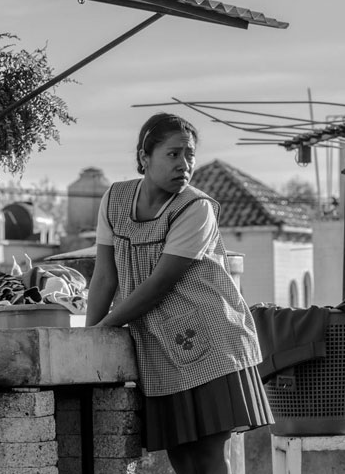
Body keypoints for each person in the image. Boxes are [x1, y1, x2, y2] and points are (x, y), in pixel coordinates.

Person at [85, 112, 272, 474]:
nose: (184, 164)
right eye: (173, 154)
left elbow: (158, 285)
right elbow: (104, 276)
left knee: (206, 455)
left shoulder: (196, 207)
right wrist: (89, 339)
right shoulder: (114, 199)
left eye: (190, 155)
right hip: (159, 350)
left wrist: (103, 328)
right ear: (144, 157)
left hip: (211, 342)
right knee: (181, 457)